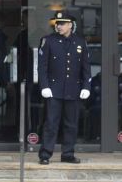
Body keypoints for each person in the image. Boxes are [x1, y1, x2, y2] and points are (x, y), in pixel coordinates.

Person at [37, 12, 91, 165]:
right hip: (54, 89)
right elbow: (42, 67)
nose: (58, 26)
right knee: (51, 123)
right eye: (57, 23)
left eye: (62, 23)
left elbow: (86, 68)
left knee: (71, 124)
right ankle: (45, 154)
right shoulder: (48, 41)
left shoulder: (80, 42)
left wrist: (86, 86)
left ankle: (68, 153)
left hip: (73, 89)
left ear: (70, 25)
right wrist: (44, 86)